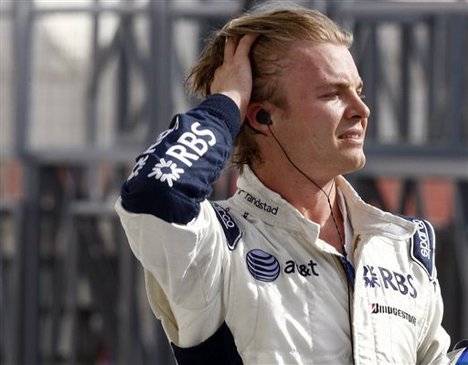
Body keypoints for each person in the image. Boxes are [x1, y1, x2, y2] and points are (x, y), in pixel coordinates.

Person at [115, 4, 467, 365]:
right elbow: (154, 194)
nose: (361, 109)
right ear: (261, 116)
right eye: (332, 94)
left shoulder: (401, 245)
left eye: (358, 90)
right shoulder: (216, 244)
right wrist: (226, 105)